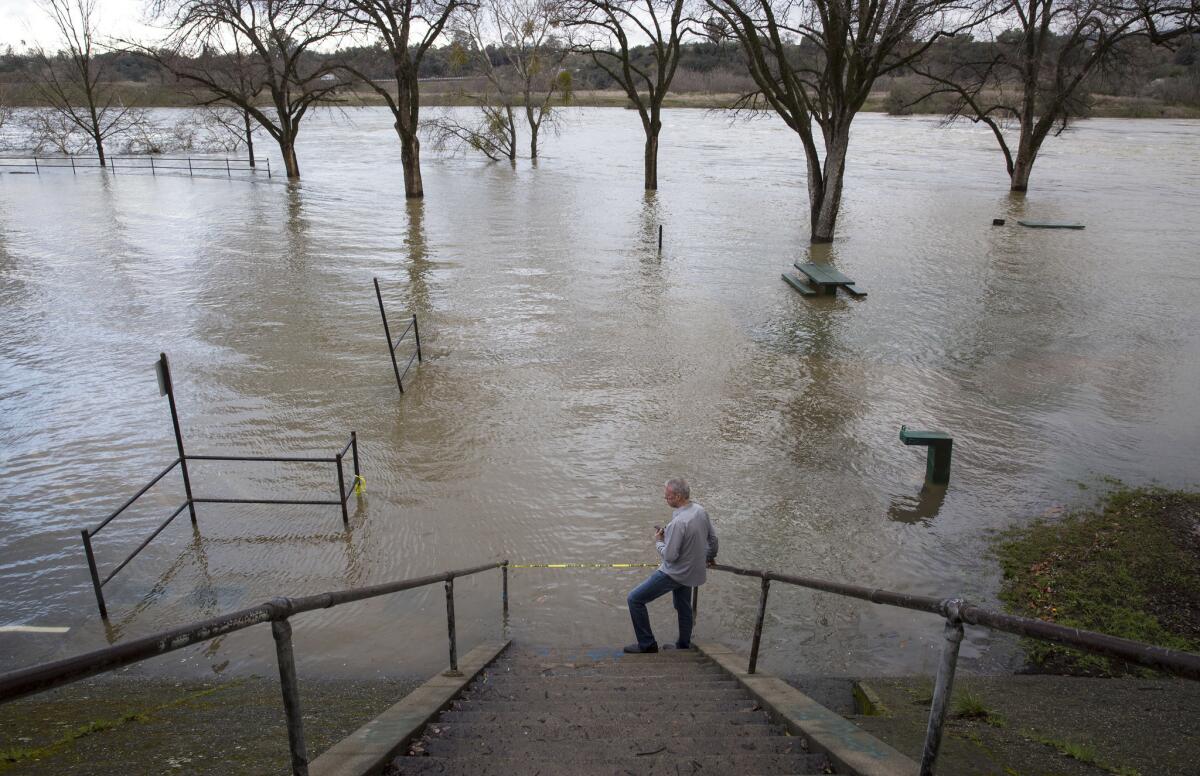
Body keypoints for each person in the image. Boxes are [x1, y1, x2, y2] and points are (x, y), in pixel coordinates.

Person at [624, 477, 718, 654]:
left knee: (635, 599)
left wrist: (659, 541)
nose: (665, 499)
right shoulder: (700, 511)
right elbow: (713, 539)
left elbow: (670, 556)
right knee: (684, 607)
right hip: (692, 571)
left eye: (667, 496)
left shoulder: (678, 522)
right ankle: (683, 645)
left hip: (675, 573)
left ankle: (647, 644)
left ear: (678, 496)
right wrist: (710, 556)